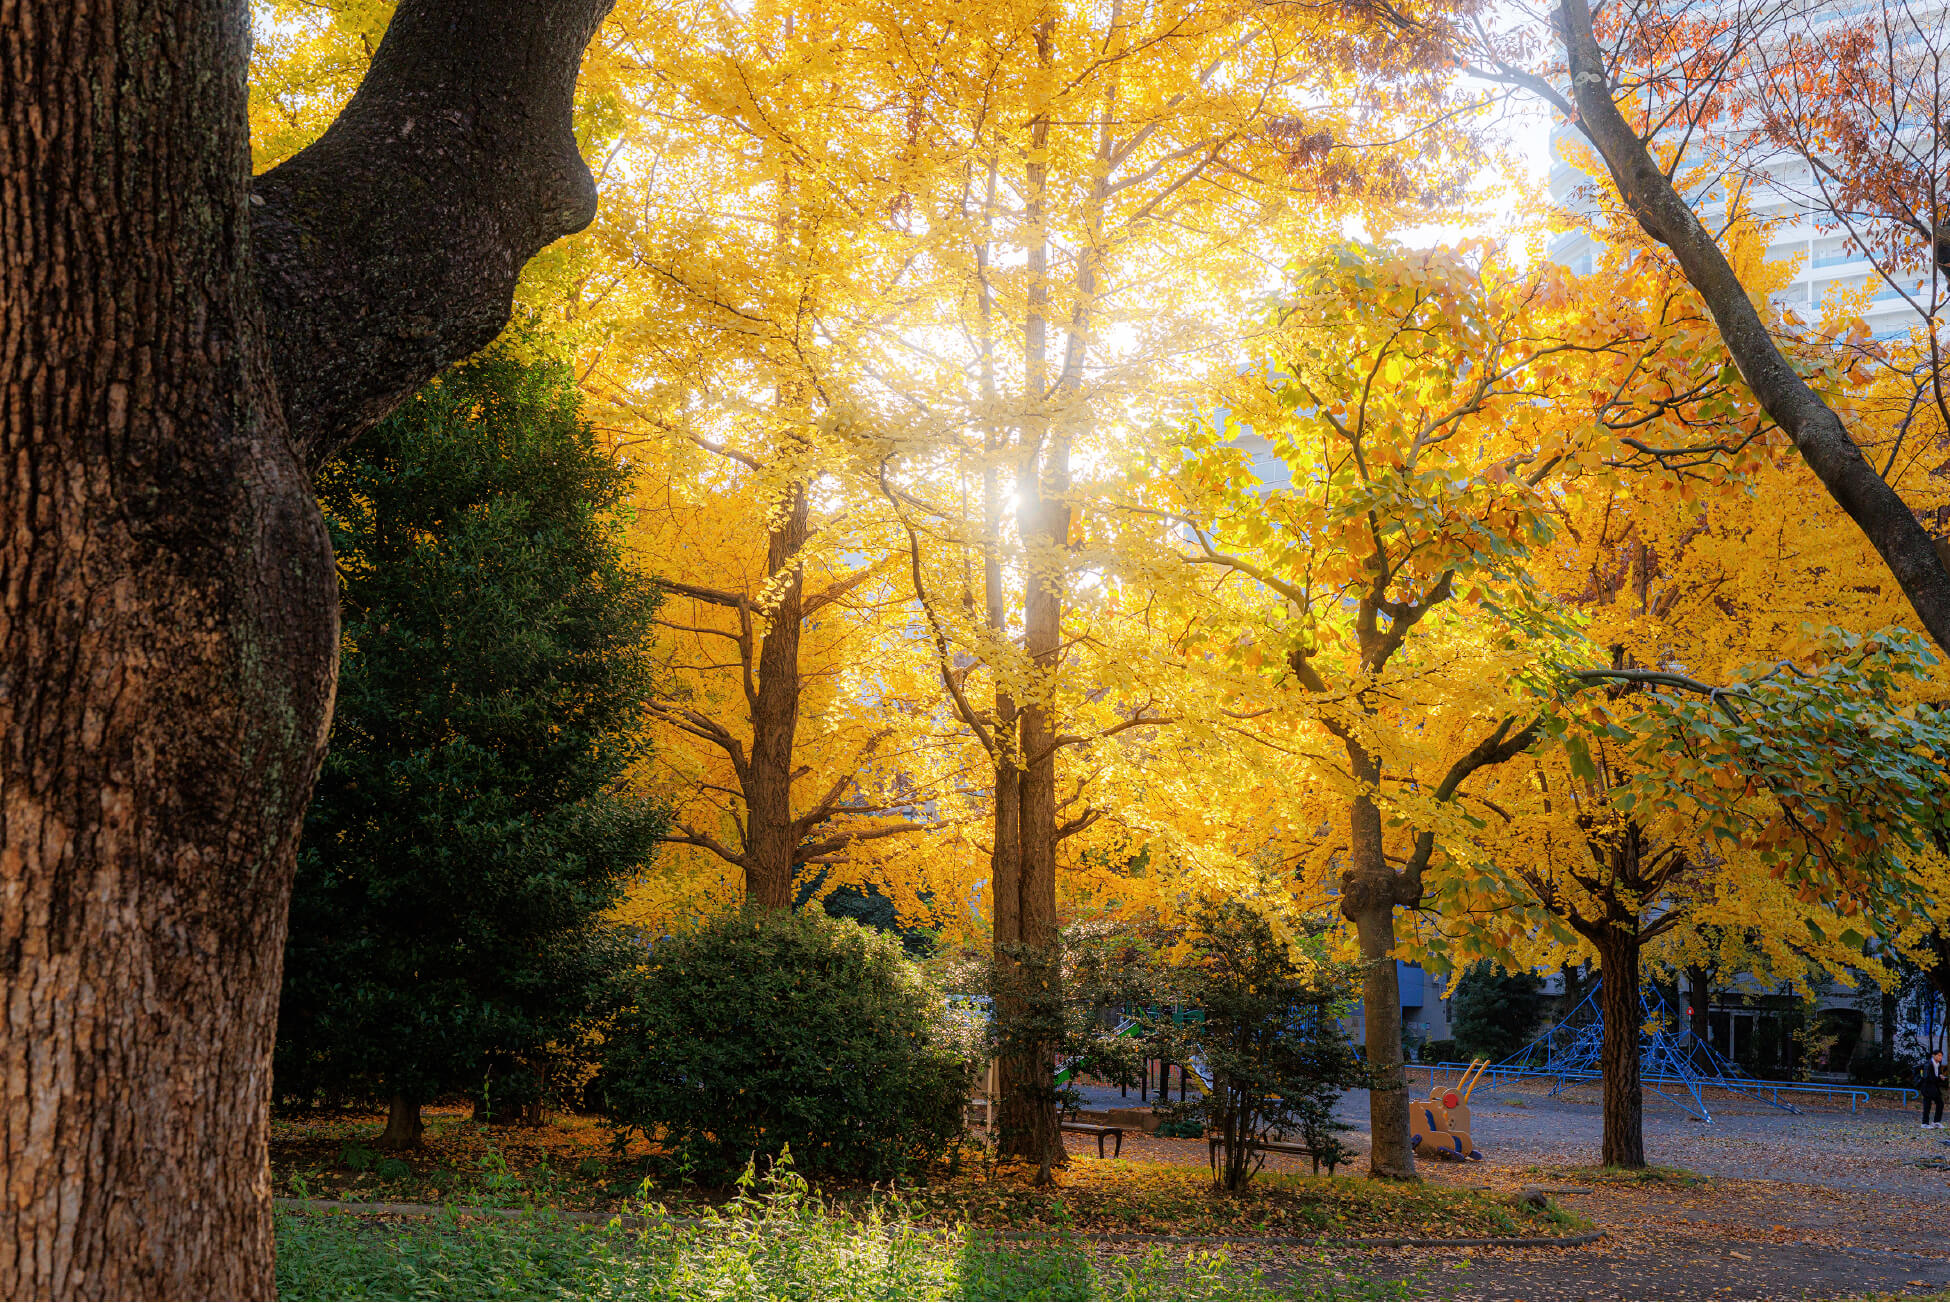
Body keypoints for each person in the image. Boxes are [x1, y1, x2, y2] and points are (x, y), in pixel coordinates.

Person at [1924, 1050, 1945, 1129]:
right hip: (1927, 1087)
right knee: (1927, 1105)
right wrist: (1938, 1078)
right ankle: (1925, 1123)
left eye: (1941, 1056)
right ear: (1933, 1055)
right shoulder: (1928, 1064)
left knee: (1940, 1103)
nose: (1940, 1057)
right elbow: (1927, 1077)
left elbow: (1937, 1075)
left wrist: (1940, 1077)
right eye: (1939, 1055)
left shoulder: (1938, 1064)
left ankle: (1936, 1122)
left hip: (1934, 1087)